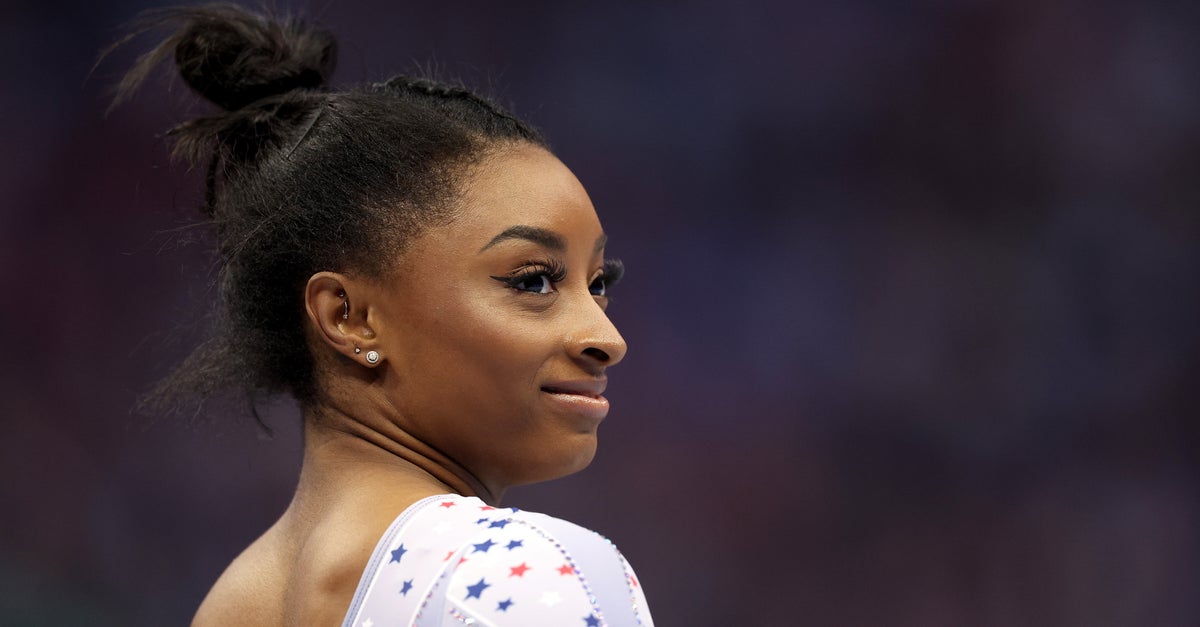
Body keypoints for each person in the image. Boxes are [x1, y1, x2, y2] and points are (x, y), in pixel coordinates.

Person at [111, 4, 654, 625]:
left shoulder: (232, 604)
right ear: (349, 317)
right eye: (533, 281)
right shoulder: (521, 573)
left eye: (598, 283)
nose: (606, 337)